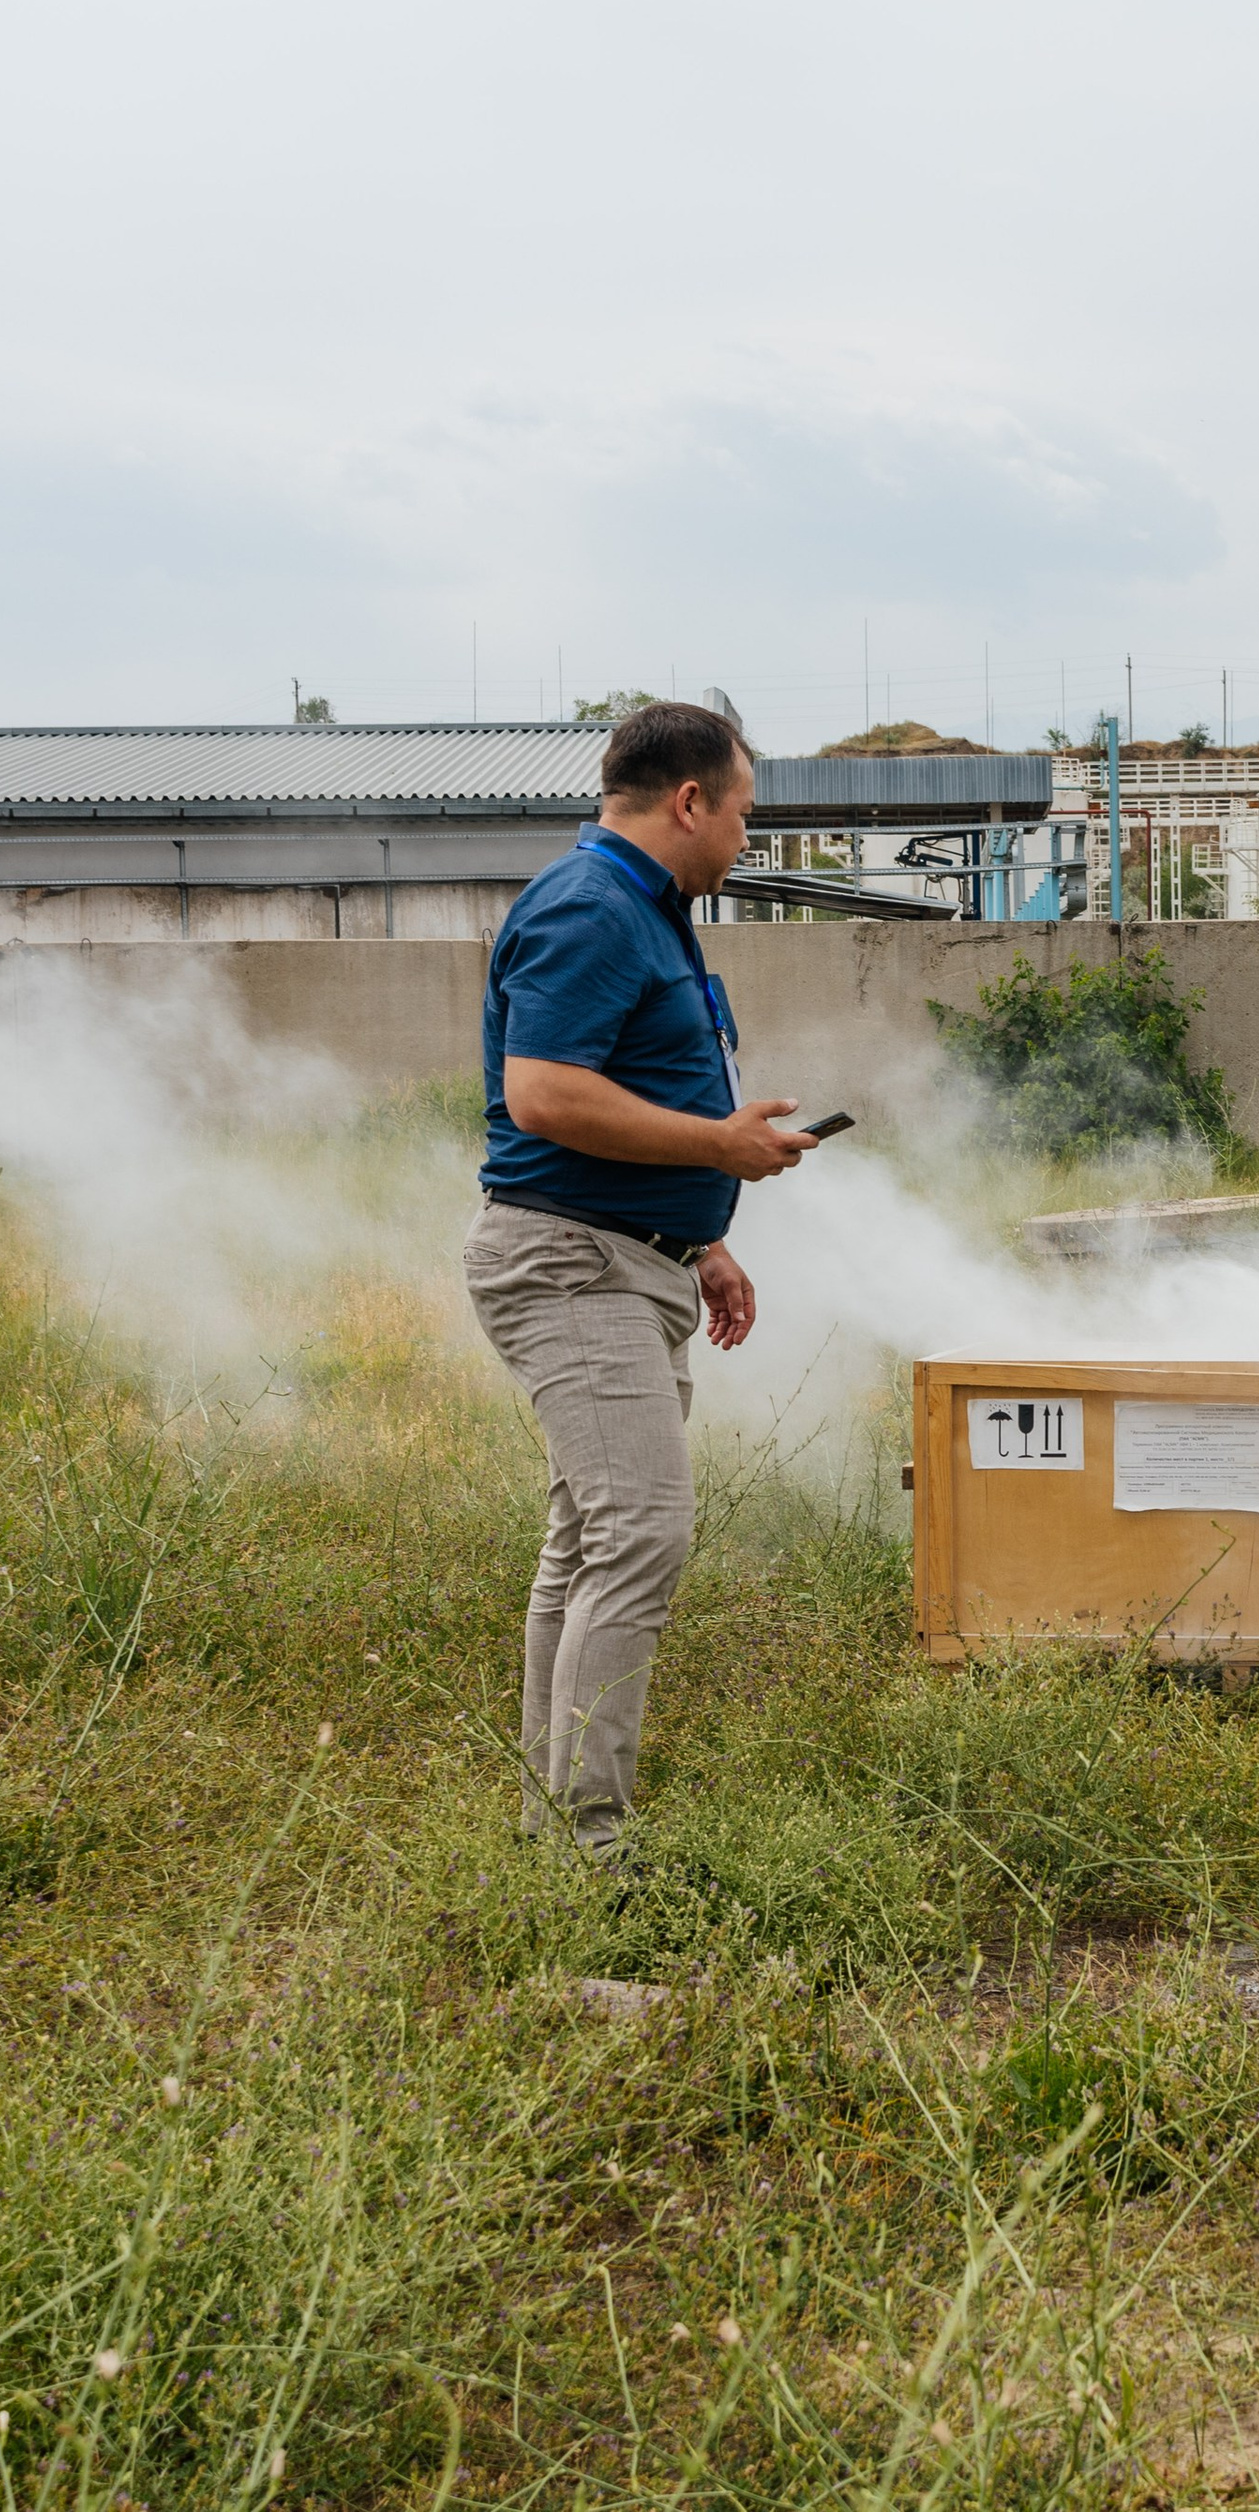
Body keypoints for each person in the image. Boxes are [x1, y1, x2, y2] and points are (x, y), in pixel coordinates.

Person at [463, 700, 812, 1856]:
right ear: (690, 800)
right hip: (571, 1266)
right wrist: (719, 1149)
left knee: (589, 1539)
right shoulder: (592, 906)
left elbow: (621, 1093)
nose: (747, 839)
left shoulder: (643, 910)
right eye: (745, 812)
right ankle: (588, 1851)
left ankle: (550, 1831)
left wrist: (698, 1238)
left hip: (623, 1257)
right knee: (641, 1535)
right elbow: (545, 1096)